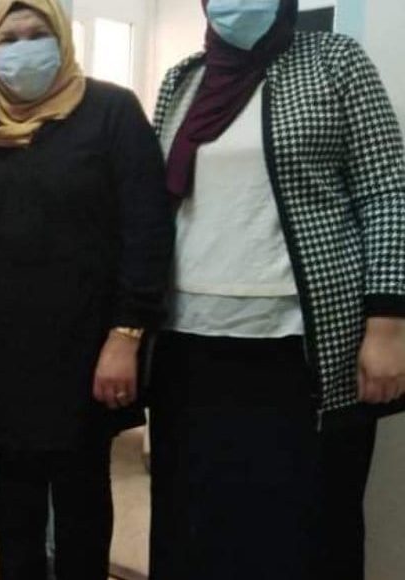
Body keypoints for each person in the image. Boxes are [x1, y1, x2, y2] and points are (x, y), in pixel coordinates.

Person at [149, 1, 405, 579]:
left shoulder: (335, 60)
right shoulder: (183, 80)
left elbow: (386, 191)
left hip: (300, 351)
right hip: (188, 347)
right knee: (196, 527)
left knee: (301, 531)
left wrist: (387, 324)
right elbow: (155, 203)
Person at [0, 0, 174, 578]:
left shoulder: (112, 113)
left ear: (62, 39)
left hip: (85, 354)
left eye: (37, 33)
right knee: (15, 515)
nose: (23, 48)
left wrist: (126, 335)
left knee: (81, 507)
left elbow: (147, 232)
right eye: (8, 38)